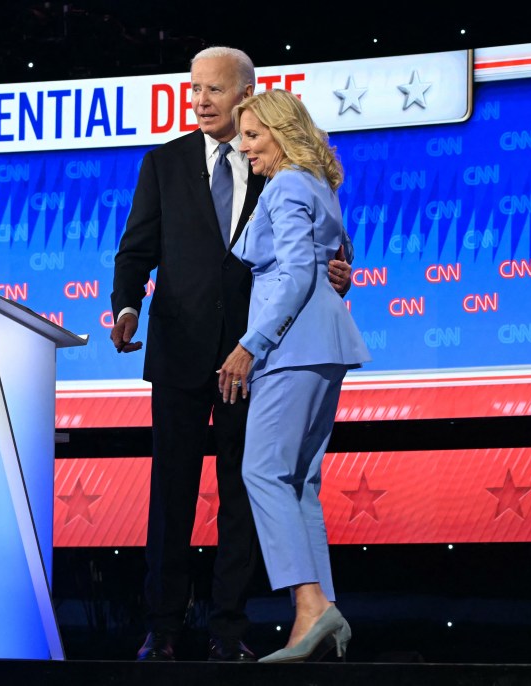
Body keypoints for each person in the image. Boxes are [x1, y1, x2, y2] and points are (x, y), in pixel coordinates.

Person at [109, 46, 354, 662]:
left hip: (256, 356)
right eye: (194, 89)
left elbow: (309, 252)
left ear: (247, 95)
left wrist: (334, 272)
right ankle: (163, 629)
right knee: (175, 494)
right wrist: (127, 306)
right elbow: (135, 249)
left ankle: (229, 630)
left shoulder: (274, 167)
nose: (200, 101)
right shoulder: (165, 164)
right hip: (183, 353)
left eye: (214, 90)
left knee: (249, 491)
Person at [216, 89, 371, 663]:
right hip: (325, 343)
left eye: (254, 135)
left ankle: (308, 604)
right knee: (300, 483)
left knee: (261, 470)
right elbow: (335, 255)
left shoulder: (285, 185)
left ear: (282, 132)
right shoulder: (319, 186)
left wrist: (249, 347)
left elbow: (297, 273)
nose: (246, 147)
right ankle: (321, 616)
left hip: (292, 345)